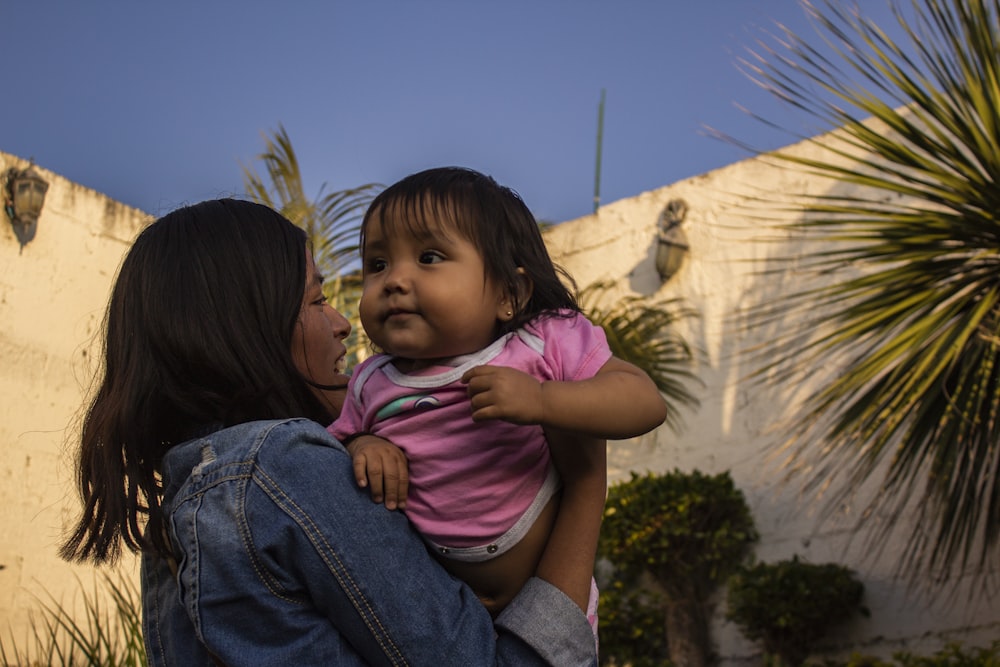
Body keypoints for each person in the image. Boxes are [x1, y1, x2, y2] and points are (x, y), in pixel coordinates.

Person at [59, 198, 599, 666]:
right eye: (316, 300)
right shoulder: (283, 469)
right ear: (249, 329)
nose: (343, 322)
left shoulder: (189, 496)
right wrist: (585, 482)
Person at [328, 167, 668, 631]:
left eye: (429, 256)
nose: (394, 280)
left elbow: (644, 401)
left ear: (510, 293)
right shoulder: (372, 380)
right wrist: (363, 446)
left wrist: (545, 401)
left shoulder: (541, 343)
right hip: (437, 609)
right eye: (378, 264)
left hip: (545, 600)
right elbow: (336, 445)